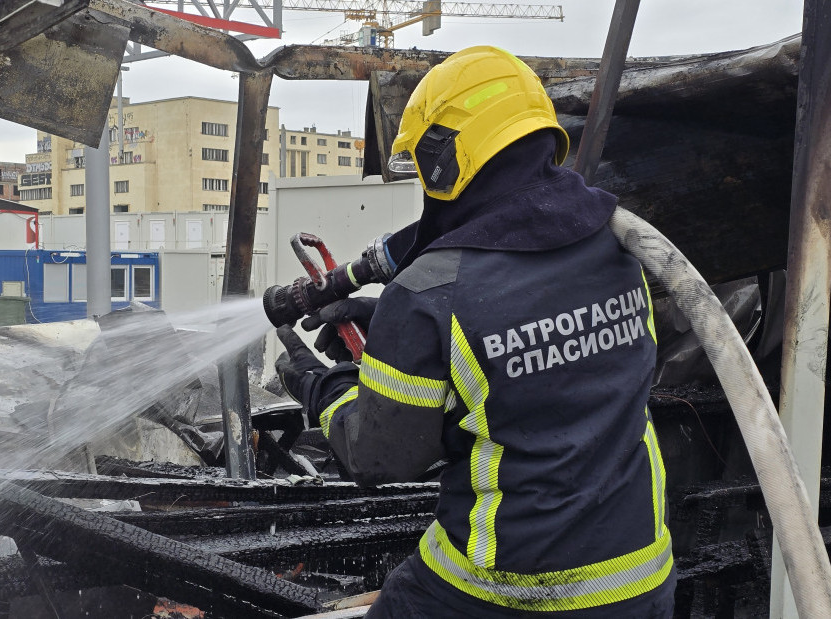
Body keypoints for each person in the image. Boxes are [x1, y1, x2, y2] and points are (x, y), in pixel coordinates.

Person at [275, 46, 673, 617]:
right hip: (641, 579)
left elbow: (379, 459)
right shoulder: (615, 244)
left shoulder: (429, 293)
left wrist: (322, 386)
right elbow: (541, 359)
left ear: (446, 160)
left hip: (505, 588)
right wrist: (390, 321)